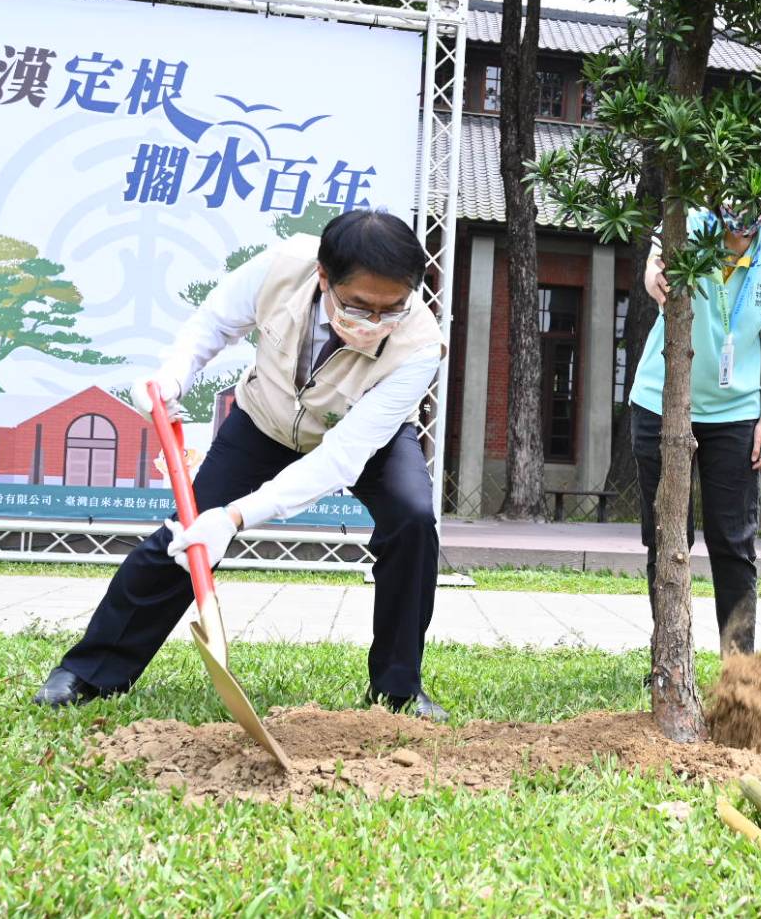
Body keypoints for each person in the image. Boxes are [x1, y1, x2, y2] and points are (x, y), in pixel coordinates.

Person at [31, 211, 450, 718]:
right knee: (184, 538)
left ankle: (397, 690)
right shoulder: (283, 266)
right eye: (360, 306)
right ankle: (89, 671)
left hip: (365, 439)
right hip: (265, 421)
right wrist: (173, 378)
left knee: (412, 519)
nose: (375, 324)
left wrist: (233, 519)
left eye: (392, 309)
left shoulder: (421, 344)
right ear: (324, 276)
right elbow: (215, 322)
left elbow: (342, 458)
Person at [633, 203, 761, 656]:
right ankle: (671, 663)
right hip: (662, 402)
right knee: (668, 537)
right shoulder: (688, 223)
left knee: (734, 542)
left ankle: (739, 669)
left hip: (735, 412)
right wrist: (656, 279)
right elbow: (654, 267)